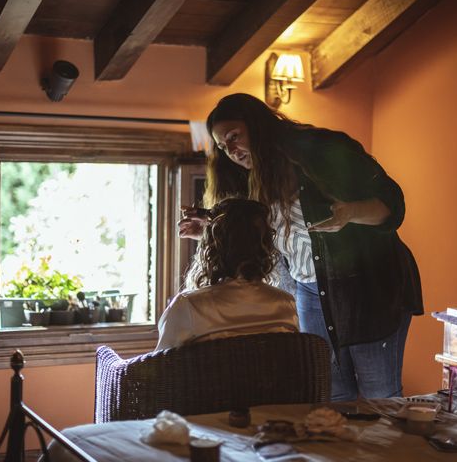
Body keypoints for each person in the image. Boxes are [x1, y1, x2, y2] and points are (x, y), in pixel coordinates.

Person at [179, 93, 423, 401]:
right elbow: (257, 241)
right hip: (307, 290)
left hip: (368, 287)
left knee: (379, 396)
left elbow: (393, 205)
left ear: (257, 125)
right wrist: (210, 232)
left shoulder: (322, 150)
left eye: (235, 137)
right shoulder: (250, 179)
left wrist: (350, 213)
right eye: (223, 146)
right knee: (329, 393)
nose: (232, 150)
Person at [156, 197, 298, 351]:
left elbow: (161, 367)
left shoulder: (189, 307)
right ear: (266, 246)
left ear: (210, 247)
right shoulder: (286, 305)